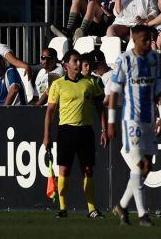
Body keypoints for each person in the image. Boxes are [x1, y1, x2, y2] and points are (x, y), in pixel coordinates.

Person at [105, 25, 161, 227]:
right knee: (139, 166)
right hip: (131, 120)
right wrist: (111, 122)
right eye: (145, 40)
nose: (149, 43)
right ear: (134, 39)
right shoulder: (124, 60)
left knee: (147, 167)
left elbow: (159, 89)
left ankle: (122, 206)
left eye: (150, 39)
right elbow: (114, 93)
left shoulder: (154, 59)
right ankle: (142, 215)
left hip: (149, 119)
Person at [41, 50, 106, 219]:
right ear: (66, 65)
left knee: (88, 170)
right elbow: (50, 112)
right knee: (64, 170)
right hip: (66, 131)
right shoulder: (58, 85)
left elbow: (100, 108)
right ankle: (63, 208)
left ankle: (92, 209)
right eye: (75, 61)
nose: (78, 64)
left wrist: (104, 130)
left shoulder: (91, 82)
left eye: (79, 61)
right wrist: (46, 135)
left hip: (85, 130)